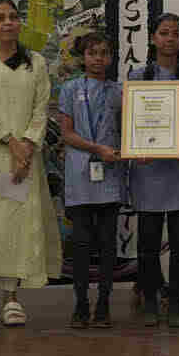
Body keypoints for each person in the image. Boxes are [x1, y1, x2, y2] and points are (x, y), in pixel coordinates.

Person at [0, 0, 62, 328]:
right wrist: (11, 142)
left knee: (16, 226)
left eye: (12, 16)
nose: (7, 22)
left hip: (25, 161)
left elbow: (41, 108)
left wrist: (27, 146)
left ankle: (10, 298)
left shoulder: (35, 62)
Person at [127, 11, 179, 328]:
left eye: (176, 33)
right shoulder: (137, 76)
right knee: (147, 245)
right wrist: (136, 150)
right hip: (148, 169)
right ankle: (150, 300)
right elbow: (130, 123)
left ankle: (175, 302)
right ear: (153, 38)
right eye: (164, 33)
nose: (170, 38)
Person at [57, 32, 125, 327]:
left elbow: (129, 130)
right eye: (92, 53)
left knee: (108, 243)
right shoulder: (70, 89)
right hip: (80, 173)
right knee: (81, 244)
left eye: (104, 53)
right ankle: (81, 303)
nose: (98, 58)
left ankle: (104, 304)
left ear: (111, 58)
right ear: (82, 57)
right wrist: (98, 148)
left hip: (110, 172)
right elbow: (67, 133)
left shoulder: (119, 91)